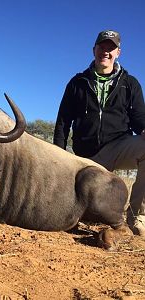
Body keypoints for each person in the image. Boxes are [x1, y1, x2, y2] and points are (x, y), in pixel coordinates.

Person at [53, 30, 145, 237]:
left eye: (110, 48)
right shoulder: (77, 82)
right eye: (101, 47)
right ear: (94, 50)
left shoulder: (130, 83)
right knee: (77, 206)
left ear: (118, 52)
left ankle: (136, 219)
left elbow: (140, 118)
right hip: (84, 157)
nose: (106, 52)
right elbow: (63, 123)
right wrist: (57, 158)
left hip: (117, 147)